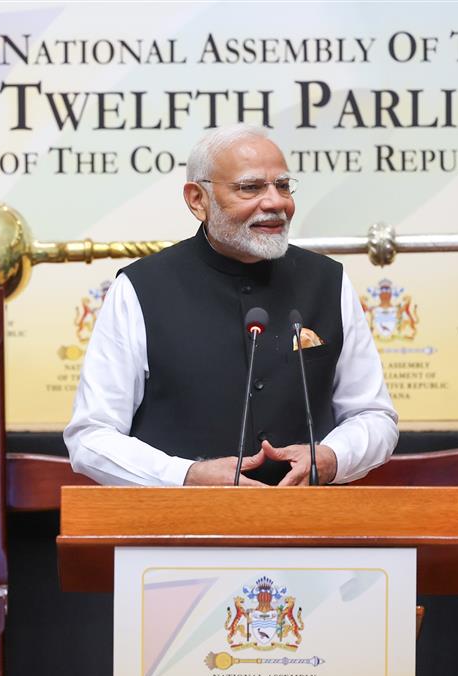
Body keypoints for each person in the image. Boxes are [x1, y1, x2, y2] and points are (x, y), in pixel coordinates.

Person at [64, 124, 398, 486]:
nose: (275, 202)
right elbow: (91, 436)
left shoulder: (328, 281)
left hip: (306, 524)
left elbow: (373, 416)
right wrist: (186, 477)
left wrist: (332, 457)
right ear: (197, 200)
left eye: (283, 186)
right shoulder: (140, 288)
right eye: (250, 187)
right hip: (175, 532)